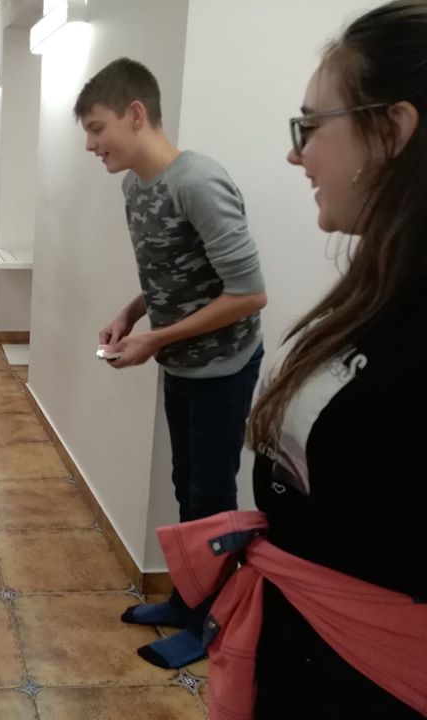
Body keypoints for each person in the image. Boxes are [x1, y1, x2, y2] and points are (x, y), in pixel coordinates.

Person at [246, 2, 427, 716]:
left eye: (311, 126)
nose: (296, 155)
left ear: (392, 130)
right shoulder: (382, 289)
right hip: (313, 655)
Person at [74, 58, 268, 669]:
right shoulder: (135, 187)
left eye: (97, 128)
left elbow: (249, 294)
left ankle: (213, 624)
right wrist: (132, 314)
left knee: (211, 501)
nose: (90, 145)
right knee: (189, 490)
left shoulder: (199, 182)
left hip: (224, 368)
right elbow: (170, 273)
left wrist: (156, 340)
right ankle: (189, 603)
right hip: (181, 364)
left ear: (136, 115)